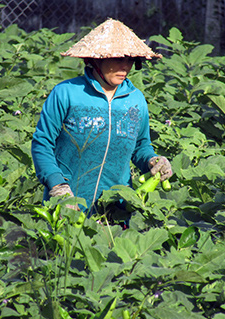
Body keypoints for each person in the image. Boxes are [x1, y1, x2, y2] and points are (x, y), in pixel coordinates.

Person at [31, 18, 173, 221]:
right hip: (67, 205)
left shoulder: (136, 100)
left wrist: (152, 161)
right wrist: (57, 186)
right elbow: (42, 144)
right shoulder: (66, 93)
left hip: (116, 210)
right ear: (96, 59)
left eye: (130, 59)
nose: (125, 66)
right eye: (117, 59)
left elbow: (141, 146)